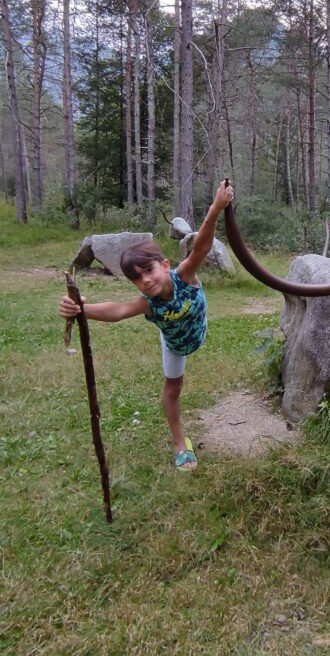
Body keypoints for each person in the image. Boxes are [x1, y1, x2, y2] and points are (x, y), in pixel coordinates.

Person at [59, 180, 234, 470]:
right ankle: (181, 444)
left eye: (149, 271)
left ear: (165, 265)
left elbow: (200, 248)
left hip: (198, 332)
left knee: (180, 369)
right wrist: (80, 310)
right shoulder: (147, 302)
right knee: (172, 389)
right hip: (175, 344)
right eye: (137, 279)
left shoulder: (184, 276)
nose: (146, 281)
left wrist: (215, 208)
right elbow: (118, 310)